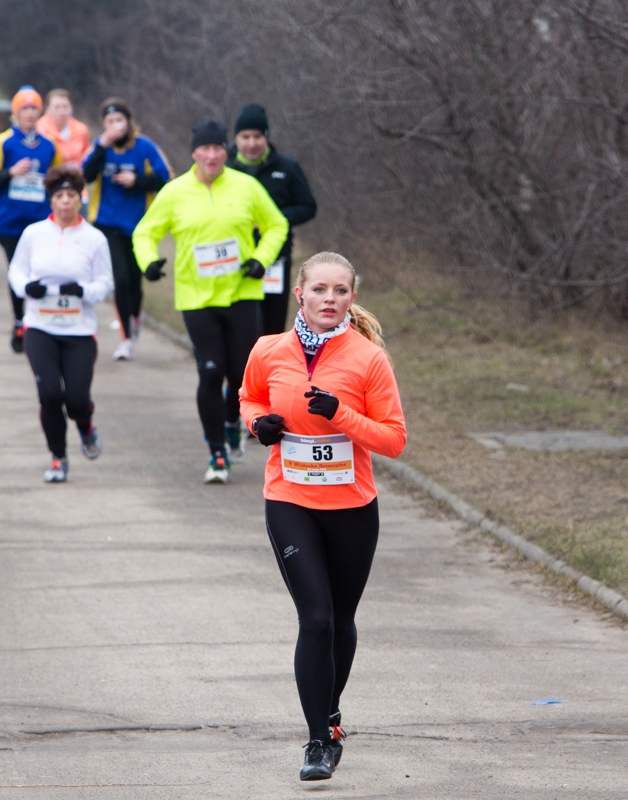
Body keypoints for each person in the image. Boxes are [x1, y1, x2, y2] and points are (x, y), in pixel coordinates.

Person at [238, 251, 406, 782]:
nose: (329, 299)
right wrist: (258, 424)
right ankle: (318, 740)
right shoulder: (269, 350)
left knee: (340, 621)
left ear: (352, 298)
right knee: (314, 618)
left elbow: (394, 439)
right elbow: (247, 398)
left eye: (340, 291)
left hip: (352, 506)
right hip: (289, 499)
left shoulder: (368, 358)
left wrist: (342, 415)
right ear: (300, 295)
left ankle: (330, 713)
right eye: (320, 290)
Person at [132, 117, 287, 481]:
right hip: (196, 297)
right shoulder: (175, 191)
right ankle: (217, 453)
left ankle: (233, 420)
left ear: (226, 152)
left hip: (241, 294)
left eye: (219, 148)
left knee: (240, 376)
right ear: (194, 153)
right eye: (205, 148)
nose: (212, 155)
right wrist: (149, 263)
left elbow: (277, 224)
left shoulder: (246, 186)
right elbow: (144, 233)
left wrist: (260, 260)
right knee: (210, 370)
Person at [7, 166, 113, 482]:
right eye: (59, 196)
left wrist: (83, 291)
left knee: (77, 400)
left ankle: (86, 426)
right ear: (50, 200)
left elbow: (106, 283)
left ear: (79, 198)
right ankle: (58, 457)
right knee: (50, 394)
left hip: (79, 330)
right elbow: (16, 272)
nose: (65, 203)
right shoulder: (34, 234)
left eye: (71, 196)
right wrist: (28, 288)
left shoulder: (95, 239)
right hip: (40, 327)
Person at [82, 99, 171, 361]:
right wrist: (101, 147)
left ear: (128, 122)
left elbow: (165, 179)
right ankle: (125, 339)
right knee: (119, 280)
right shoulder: (100, 146)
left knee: (134, 281)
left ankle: (135, 317)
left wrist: (137, 181)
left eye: (119, 121)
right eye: (109, 122)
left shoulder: (144, 146)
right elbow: (85, 176)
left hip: (138, 226)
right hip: (106, 224)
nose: (114, 126)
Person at [0, 87, 60, 353]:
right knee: (18, 272)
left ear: (40, 113)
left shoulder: (48, 146)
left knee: (40, 271)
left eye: (34, 108)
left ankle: (37, 322)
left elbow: (56, 179)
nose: (29, 113)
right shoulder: (2, 142)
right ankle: (18, 321)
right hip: (10, 222)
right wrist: (10, 172)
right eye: (24, 108)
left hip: (40, 221)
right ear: (15, 113)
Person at [227, 104, 318, 336]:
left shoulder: (287, 167)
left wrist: (273, 219)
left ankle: (268, 372)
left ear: (266, 136)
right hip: (232, 257)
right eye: (245, 136)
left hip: (275, 260)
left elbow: (308, 207)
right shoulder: (224, 168)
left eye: (257, 136)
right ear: (236, 138)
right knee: (238, 328)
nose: (251, 143)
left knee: (271, 328)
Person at [37, 89, 89, 170]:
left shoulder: (81, 129)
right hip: (49, 178)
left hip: (74, 178)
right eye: (57, 107)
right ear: (47, 109)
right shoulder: (39, 129)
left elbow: (85, 157)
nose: (62, 112)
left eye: (65, 107)